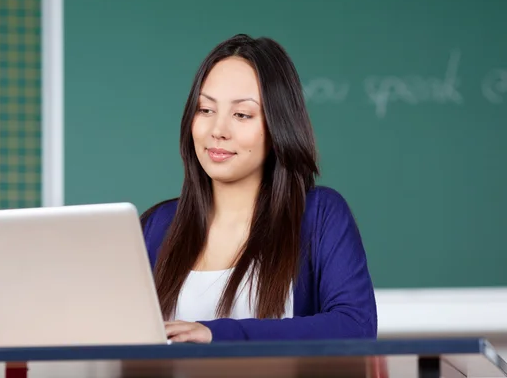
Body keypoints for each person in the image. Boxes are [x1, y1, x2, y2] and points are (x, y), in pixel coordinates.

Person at [140, 33, 377, 343]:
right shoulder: (157, 225)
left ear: (278, 124)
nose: (217, 130)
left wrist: (217, 334)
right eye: (205, 110)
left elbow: (354, 327)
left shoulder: (319, 215)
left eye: (242, 114)